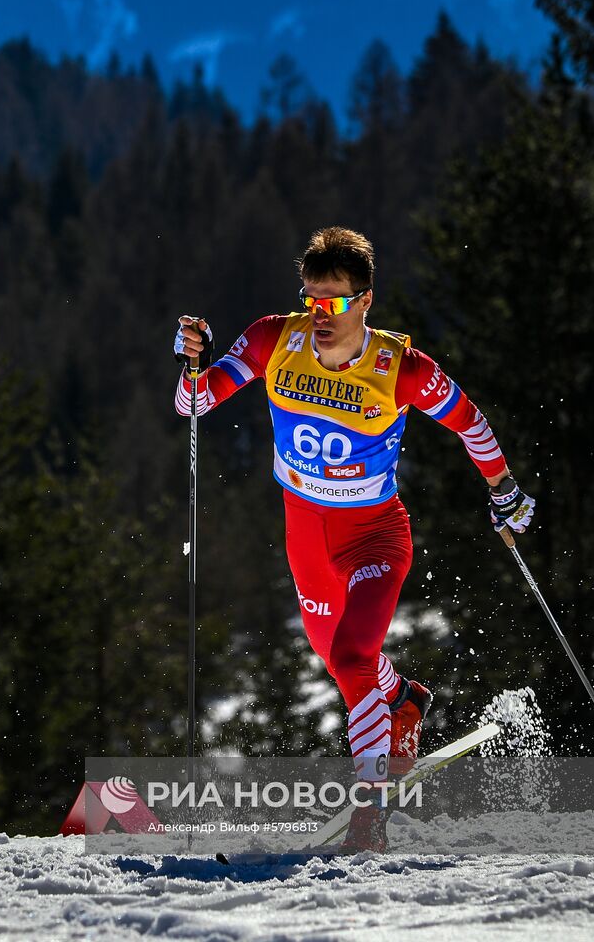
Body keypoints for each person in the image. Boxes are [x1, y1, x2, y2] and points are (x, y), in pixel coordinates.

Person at [174, 226, 534, 851]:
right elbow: (193, 406)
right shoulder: (273, 339)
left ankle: (369, 818)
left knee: (349, 656)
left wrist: (505, 491)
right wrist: (192, 362)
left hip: (374, 537)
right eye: (312, 299)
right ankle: (405, 702)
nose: (321, 315)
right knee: (342, 660)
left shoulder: (402, 368)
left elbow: (469, 422)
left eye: (336, 302)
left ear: (365, 300)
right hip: (305, 536)